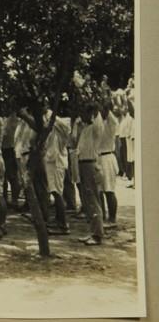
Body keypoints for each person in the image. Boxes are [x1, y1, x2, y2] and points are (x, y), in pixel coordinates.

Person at [76, 103, 105, 246]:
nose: (81, 116)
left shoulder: (95, 128)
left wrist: (94, 109)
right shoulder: (86, 128)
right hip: (83, 164)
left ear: (91, 114)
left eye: (84, 113)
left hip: (90, 164)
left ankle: (98, 234)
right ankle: (93, 231)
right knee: (88, 199)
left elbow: (99, 115)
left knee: (93, 199)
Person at [43, 110, 71, 234]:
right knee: (54, 191)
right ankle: (59, 220)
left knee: (57, 192)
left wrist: (49, 113)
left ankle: (63, 225)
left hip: (57, 162)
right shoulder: (53, 128)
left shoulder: (63, 126)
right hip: (51, 161)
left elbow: (59, 123)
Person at [97, 101, 119, 226]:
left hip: (107, 157)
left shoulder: (111, 124)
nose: (101, 112)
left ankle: (112, 218)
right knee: (99, 190)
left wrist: (106, 105)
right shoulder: (99, 123)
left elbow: (112, 119)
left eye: (103, 110)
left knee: (109, 190)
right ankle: (102, 217)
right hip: (98, 158)